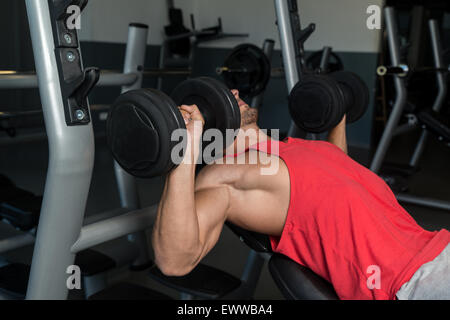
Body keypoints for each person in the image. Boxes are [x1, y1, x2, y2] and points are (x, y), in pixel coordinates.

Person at [151, 89, 450, 300]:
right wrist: (182, 148)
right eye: (217, 94)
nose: (234, 90)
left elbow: (332, 189)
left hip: (439, 246)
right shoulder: (226, 173)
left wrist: (337, 110)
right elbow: (174, 261)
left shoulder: (306, 147)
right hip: (411, 281)